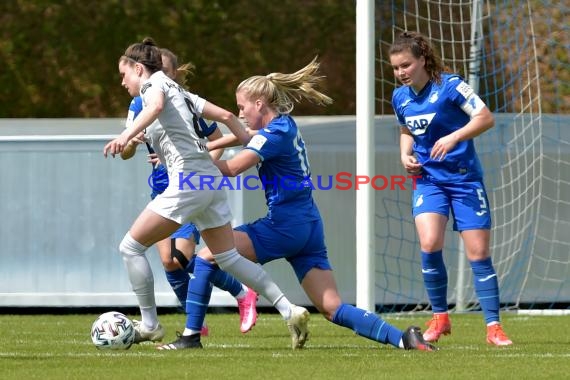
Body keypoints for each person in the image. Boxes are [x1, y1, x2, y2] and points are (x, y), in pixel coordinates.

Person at [157, 57, 438, 352]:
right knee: (332, 308)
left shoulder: (272, 135)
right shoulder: (284, 125)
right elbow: (246, 137)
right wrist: (206, 146)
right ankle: (403, 338)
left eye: (242, 107)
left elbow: (232, 169)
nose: (239, 114)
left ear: (259, 104)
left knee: (206, 257)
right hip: (309, 227)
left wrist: (185, 163)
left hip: (284, 225)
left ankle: (193, 335)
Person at [103, 37, 309, 346]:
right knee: (227, 257)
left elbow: (157, 106)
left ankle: (149, 325)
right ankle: (288, 309)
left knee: (130, 248)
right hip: (208, 180)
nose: (122, 82)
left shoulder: (152, 87)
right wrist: (247, 139)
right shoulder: (180, 91)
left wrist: (125, 134)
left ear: (138, 68)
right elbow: (227, 116)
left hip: (188, 181)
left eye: (124, 75)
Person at [119, 48, 258, 336]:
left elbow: (217, 139)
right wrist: (132, 139)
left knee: (181, 256)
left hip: (190, 185)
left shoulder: (179, 99)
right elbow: (128, 153)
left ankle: (237, 295)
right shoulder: (138, 104)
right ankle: (198, 325)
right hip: (163, 189)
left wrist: (205, 171)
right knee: (170, 262)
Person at [388, 31, 513, 346]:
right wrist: (404, 153)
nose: (401, 72)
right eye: (395, 67)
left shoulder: (451, 86)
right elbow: (406, 130)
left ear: (422, 60)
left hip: (464, 180)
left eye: (406, 65)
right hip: (428, 180)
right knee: (429, 244)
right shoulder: (400, 97)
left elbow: (485, 118)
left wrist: (455, 136)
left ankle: (493, 328)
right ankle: (440, 318)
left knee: (478, 253)